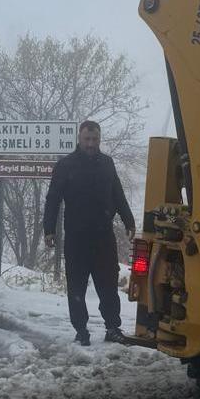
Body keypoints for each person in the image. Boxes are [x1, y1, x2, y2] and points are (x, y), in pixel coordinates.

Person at [43, 120, 135, 346]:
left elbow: (117, 194)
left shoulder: (107, 163)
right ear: (79, 138)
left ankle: (112, 327)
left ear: (100, 139)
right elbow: (53, 198)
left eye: (95, 139)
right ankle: (81, 330)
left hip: (103, 236)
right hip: (76, 237)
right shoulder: (66, 165)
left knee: (108, 284)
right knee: (77, 286)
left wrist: (129, 221)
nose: (91, 144)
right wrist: (49, 229)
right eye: (87, 139)